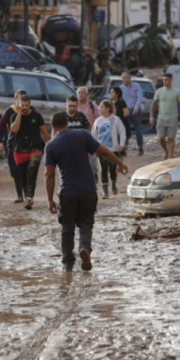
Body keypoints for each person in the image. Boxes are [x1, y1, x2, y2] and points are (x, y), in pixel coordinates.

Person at [44, 112, 128, 272]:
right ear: (67, 123)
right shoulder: (82, 135)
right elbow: (103, 151)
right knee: (86, 224)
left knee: (67, 228)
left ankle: (67, 263)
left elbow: (49, 174)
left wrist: (50, 200)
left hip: (67, 192)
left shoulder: (51, 145)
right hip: (88, 190)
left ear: (53, 127)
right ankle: (85, 248)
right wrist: (119, 163)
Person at [10, 94, 50, 210]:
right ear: (18, 105)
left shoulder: (37, 116)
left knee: (32, 173)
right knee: (23, 175)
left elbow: (44, 132)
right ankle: (27, 195)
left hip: (35, 149)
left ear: (30, 105)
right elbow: (15, 129)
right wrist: (19, 114)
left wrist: (50, 145)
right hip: (20, 150)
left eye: (27, 105)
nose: (25, 107)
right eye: (23, 105)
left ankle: (29, 197)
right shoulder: (14, 116)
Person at [91, 100, 126, 198]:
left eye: (102, 107)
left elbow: (122, 132)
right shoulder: (98, 121)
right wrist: (93, 147)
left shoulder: (115, 119)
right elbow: (93, 135)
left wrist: (122, 144)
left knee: (112, 169)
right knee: (103, 169)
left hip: (113, 149)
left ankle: (113, 183)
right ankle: (105, 191)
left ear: (108, 108)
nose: (100, 109)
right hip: (101, 149)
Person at [0, 90, 27, 203]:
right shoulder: (10, 111)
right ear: (16, 100)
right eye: (19, 100)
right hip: (13, 143)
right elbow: (1, 126)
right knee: (14, 170)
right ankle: (20, 195)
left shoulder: (30, 111)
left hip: (26, 144)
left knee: (26, 169)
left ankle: (27, 193)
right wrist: (1, 141)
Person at [152, 73, 180, 160]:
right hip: (161, 117)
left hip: (173, 117)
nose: (164, 81)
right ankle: (166, 151)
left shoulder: (176, 91)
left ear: (171, 80)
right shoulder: (159, 91)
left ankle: (170, 156)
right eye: (163, 80)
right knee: (161, 137)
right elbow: (154, 104)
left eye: (166, 79)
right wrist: (151, 116)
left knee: (171, 138)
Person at [120, 71, 144, 155]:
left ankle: (140, 147)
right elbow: (120, 100)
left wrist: (136, 108)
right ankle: (125, 148)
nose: (124, 80)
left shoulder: (136, 86)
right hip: (126, 110)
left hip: (135, 110)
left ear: (130, 78)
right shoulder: (121, 88)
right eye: (122, 78)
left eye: (125, 78)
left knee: (138, 129)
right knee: (125, 129)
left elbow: (139, 97)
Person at [109, 86, 130, 154]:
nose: (111, 93)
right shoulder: (110, 102)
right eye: (110, 92)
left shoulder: (121, 102)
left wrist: (118, 120)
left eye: (112, 92)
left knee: (121, 147)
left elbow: (126, 113)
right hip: (112, 126)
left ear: (117, 94)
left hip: (121, 126)